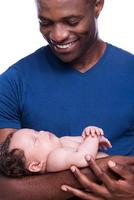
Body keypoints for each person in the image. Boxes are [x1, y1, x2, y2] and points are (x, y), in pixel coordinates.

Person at [0, 0, 134, 199]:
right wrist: (99, 172)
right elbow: (5, 188)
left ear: (98, 5)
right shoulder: (13, 82)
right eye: (45, 22)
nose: (58, 35)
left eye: (71, 21)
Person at [0, 127, 111, 177]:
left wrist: (91, 135)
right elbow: (84, 158)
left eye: (36, 132)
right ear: (36, 165)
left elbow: (85, 141)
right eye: (35, 139)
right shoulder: (54, 158)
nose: (42, 132)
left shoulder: (62, 141)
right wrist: (93, 138)